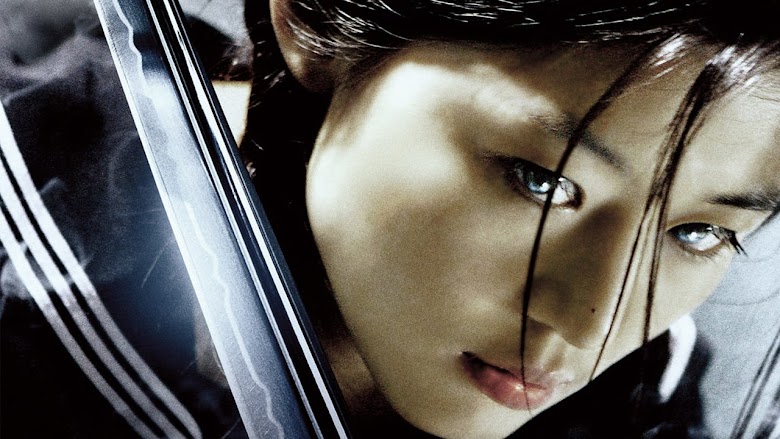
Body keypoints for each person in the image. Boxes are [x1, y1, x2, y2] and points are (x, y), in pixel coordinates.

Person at [241, 1, 780, 438]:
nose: (588, 328)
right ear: (317, 15)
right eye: (542, 182)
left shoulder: (649, 390)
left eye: (698, 232)